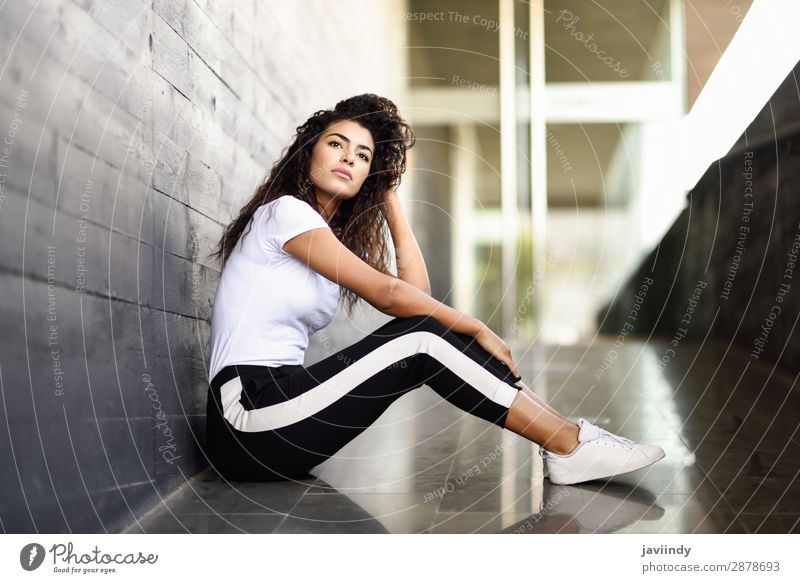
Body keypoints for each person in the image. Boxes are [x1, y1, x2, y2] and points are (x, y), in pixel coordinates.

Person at [204, 93, 664, 484]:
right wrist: (475, 325)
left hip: (280, 409)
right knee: (424, 337)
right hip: (246, 415)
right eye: (336, 144)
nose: (349, 158)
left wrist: (388, 198)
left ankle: (568, 438)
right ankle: (568, 443)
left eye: (363, 155)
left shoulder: (326, 241)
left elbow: (414, 298)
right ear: (308, 154)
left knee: (423, 331)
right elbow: (395, 299)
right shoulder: (285, 213)